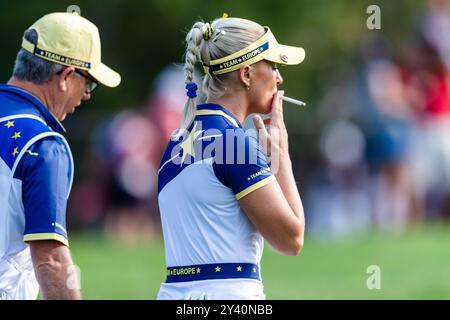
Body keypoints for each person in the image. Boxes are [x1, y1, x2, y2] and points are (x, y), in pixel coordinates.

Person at [157, 16, 306, 300]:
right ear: (247, 74)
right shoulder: (235, 144)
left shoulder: (176, 142)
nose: (279, 77)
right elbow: (291, 239)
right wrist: (281, 157)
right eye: (273, 66)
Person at [0, 12, 120, 299]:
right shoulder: (43, 145)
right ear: (66, 76)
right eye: (89, 83)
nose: (88, 95)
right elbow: (50, 259)